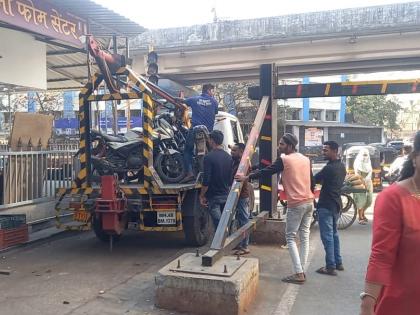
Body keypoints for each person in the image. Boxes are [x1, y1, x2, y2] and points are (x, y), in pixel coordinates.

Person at [235, 133, 314, 284]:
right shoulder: (305, 159)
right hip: (309, 201)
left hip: (296, 203)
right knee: (304, 237)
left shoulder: (284, 159)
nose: (279, 147)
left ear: (290, 146)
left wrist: (247, 177)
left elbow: (267, 171)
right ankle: (301, 270)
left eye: (282, 144)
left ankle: (299, 273)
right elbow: (312, 180)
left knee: (290, 237)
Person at [360, 131, 420, 315]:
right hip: (402, 305)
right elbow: (381, 256)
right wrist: (367, 304)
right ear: (415, 158)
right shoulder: (394, 198)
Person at [314, 141, 347, 276]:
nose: (323, 152)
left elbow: (314, 179)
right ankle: (338, 262)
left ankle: (330, 266)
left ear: (335, 151)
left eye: (326, 150)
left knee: (327, 236)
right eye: (323, 150)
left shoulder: (329, 168)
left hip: (326, 205)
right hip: (336, 205)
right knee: (333, 235)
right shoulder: (341, 166)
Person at [181, 84, 219, 183]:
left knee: (187, 151)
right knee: (212, 152)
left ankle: (190, 173)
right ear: (209, 90)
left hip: (195, 129)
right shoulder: (214, 101)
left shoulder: (194, 99)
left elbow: (182, 101)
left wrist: (178, 98)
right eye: (212, 91)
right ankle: (213, 173)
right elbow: (215, 113)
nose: (213, 93)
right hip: (208, 132)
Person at [199, 130, 232, 229]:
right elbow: (230, 178)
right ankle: (227, 242)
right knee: (225, 224)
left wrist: (201, 195)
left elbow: (206, 180)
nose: (208, 141)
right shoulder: (228, 157)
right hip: (225, 195)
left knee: (219, 226)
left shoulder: (208, 157)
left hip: (214, 197)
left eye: (209, 139)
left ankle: (220, 244)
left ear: (212, 141)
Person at [231, 143, 250, 255]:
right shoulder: (236, 162)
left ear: (241, 152)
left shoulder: (243, 165)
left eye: (234, 151)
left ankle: (245, 246)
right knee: (239, 220)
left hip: (242, 196)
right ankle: (239, 244)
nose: (232, 152)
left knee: (244, 220)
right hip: (236, 195)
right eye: (232, 150)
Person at [352, 148, 373, 225]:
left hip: (368, 181)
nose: (365, 157)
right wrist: (363, 181)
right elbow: (357, 174)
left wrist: (367, 179)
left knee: (369, 200)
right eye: (363, 155)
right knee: (361, 200)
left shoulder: (368, 162)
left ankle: (363, 213)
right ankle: (360, 217)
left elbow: (370, 171)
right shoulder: (357, 162)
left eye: (366, 155)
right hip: (359, 182)